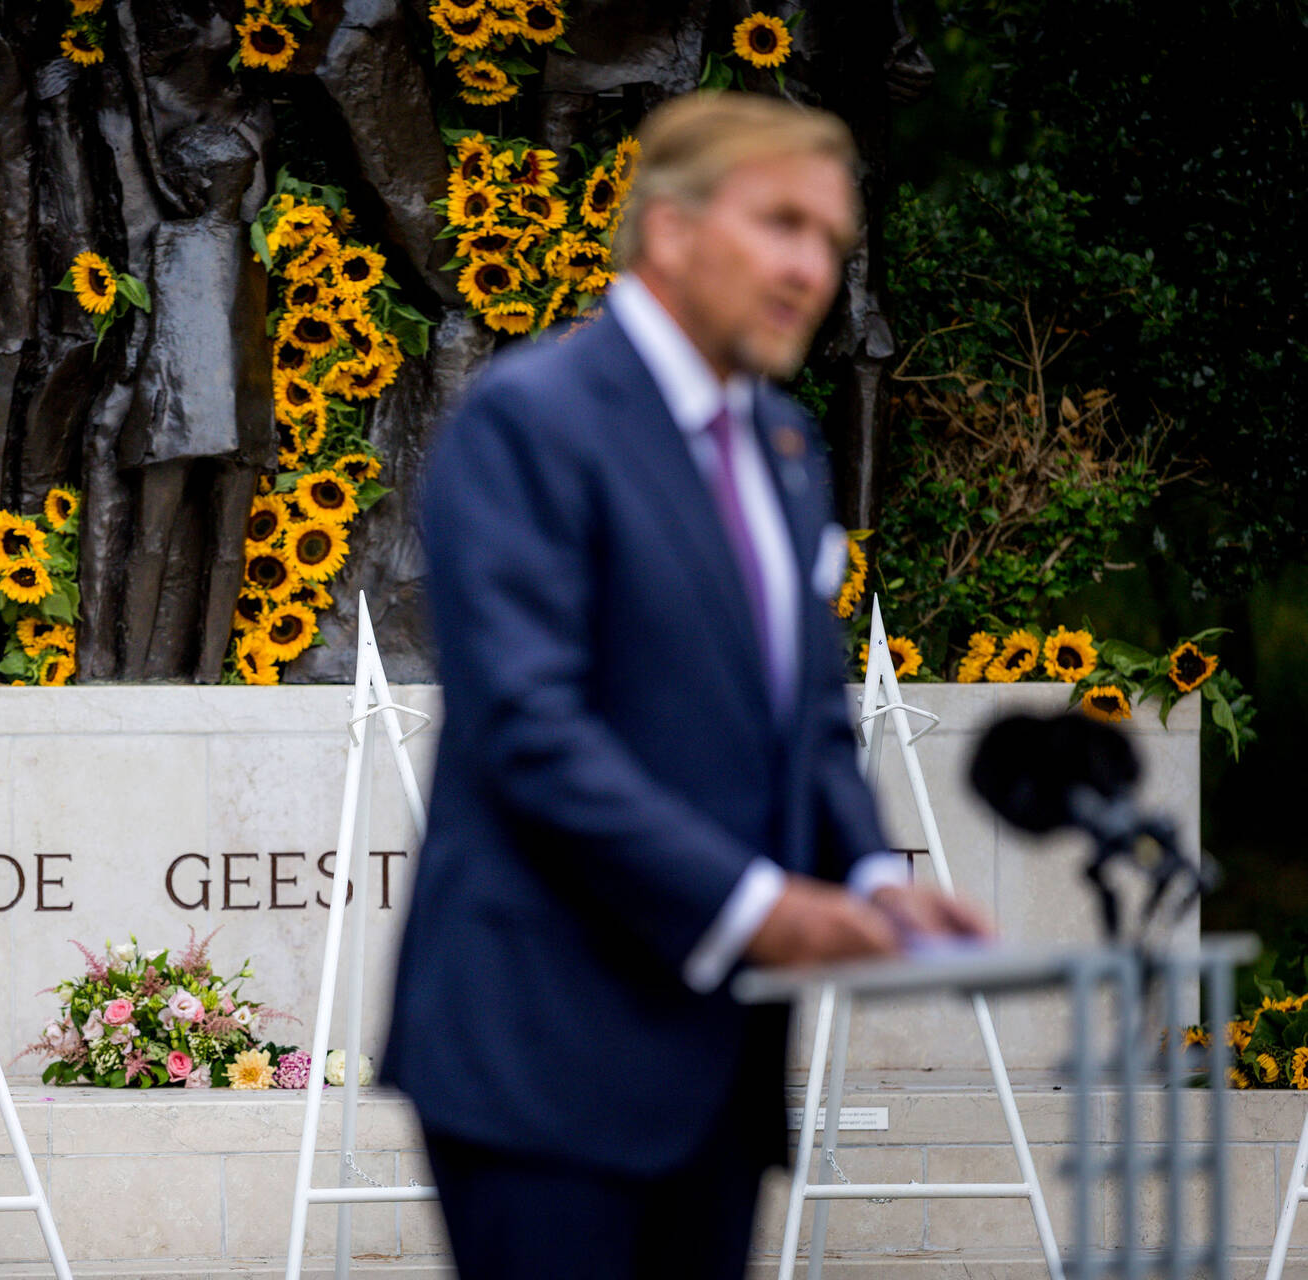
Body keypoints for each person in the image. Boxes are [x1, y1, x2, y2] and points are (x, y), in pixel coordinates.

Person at [384, 92, 991, 1279]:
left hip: (718, 1063)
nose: (809, 269)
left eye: (829, 242)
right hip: (539, 1057)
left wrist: (870, 871)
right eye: (780, 225)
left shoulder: (784, 447)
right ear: (667, 230)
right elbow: (530, 729)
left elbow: (808, 716)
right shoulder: (526, 421)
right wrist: (758, 905)